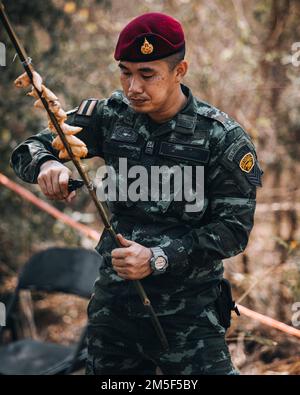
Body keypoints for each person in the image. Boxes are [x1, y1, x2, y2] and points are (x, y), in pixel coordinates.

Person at [10, 12, 263, 375]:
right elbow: (30, 148)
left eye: (147, 74)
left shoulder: (221, 138)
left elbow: (233, 231)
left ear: (180, 71)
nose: (133, 87)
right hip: (115, 312)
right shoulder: (110, 117)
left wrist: (158, 256)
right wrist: (48, 165)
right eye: (125, 72)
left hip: (188, 318)